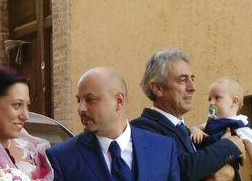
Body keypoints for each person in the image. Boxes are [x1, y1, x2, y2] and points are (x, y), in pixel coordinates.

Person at [46, 66, 180, 181]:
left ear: (119, 101)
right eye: (78, 100)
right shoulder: (61, 158)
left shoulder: (164, 149)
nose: (81, 108)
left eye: (90, 99)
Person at [130, 50, 244, 181]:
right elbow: (181, 169)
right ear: (157, 88)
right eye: (183, 80)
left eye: (192, 79)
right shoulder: (140, 129)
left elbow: (210, 167)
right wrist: (229, 145)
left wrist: (230, 173)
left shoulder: (190, 132)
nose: (193, 87)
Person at [189, 77, 252, 181]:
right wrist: (194, 130)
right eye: (210, 99)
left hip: (226, 168)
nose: (211, 102)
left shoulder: (239, 124)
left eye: (217, 98)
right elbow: (197, 128)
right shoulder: (212, 120)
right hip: (205, 166)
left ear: (234, 101)